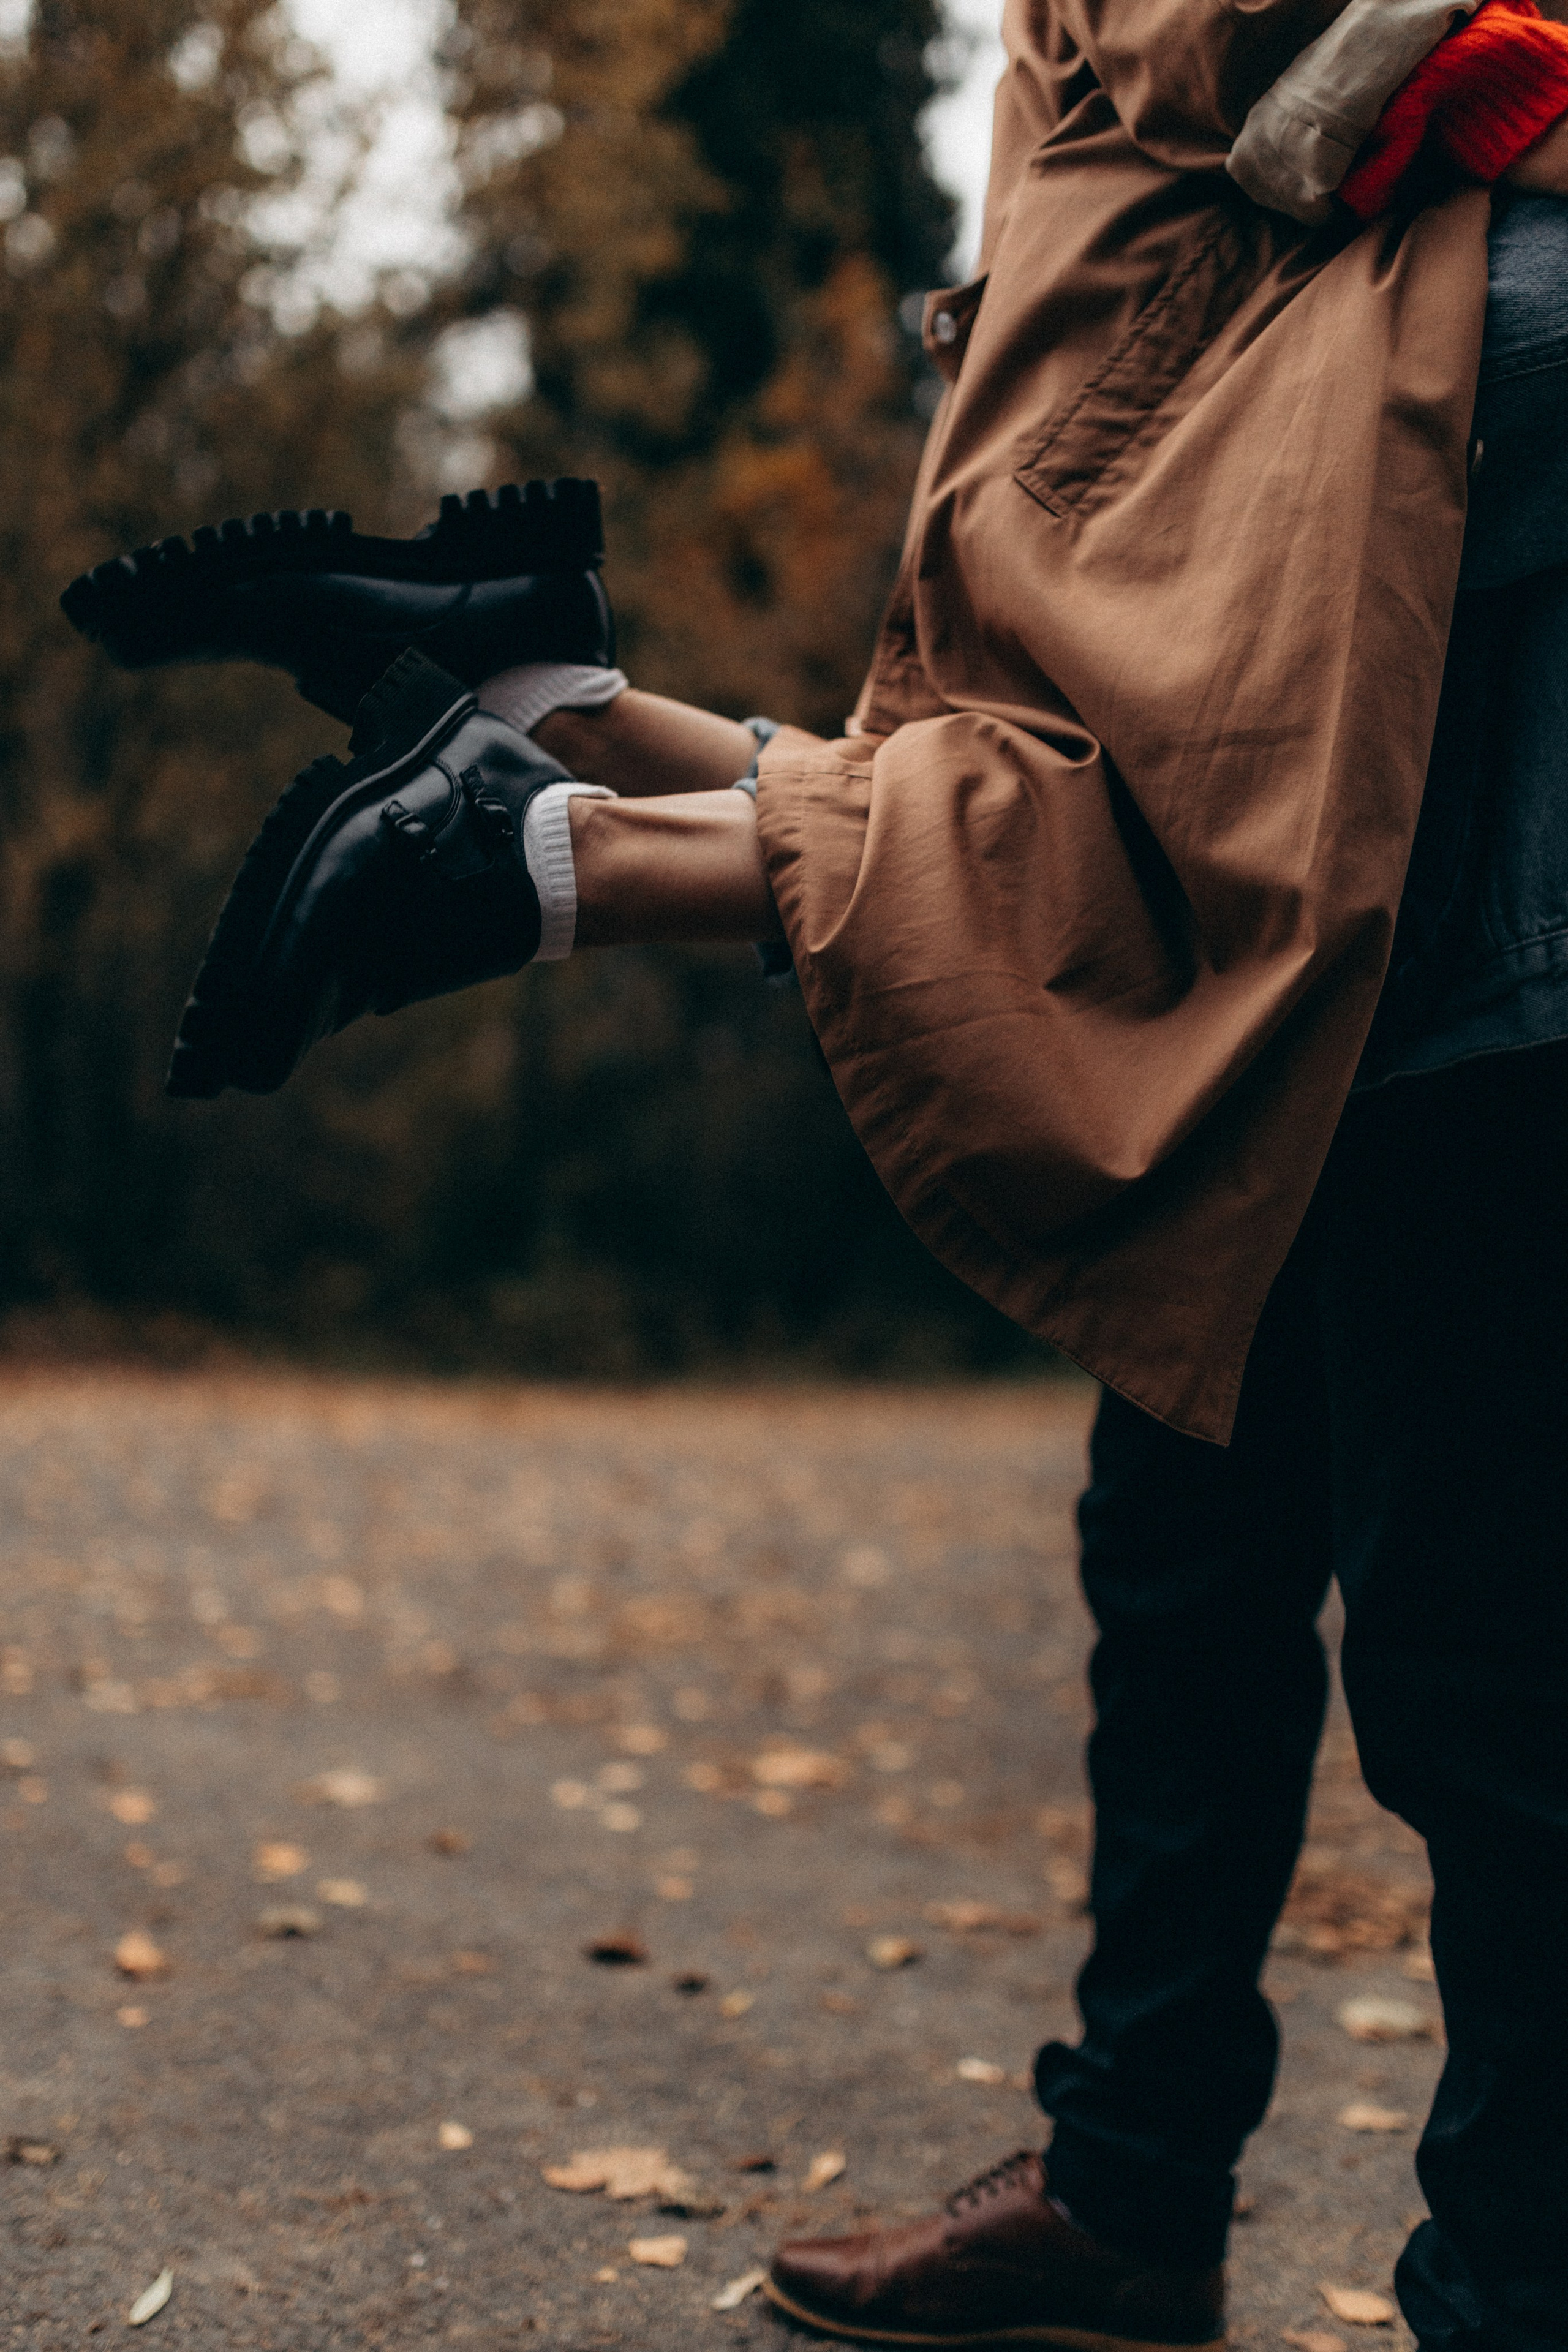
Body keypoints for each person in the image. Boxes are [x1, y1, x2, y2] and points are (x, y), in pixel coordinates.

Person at [60, 1, 1568, 2343]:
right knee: (1182, 1541)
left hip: (1478, 906)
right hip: (1300, 803)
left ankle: (1506, 2293)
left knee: (1489, 1651)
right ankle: (1134, 2189)